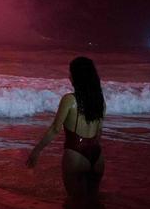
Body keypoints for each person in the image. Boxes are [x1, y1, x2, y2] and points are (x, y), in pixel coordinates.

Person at [27, 56, 106, 196]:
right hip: (97, 155)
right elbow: (99, 132)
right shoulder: (100, 101)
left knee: (74, 204)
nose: (69, 75)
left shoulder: (69, 99)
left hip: (76, 154)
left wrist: (37, 151)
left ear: (77, 76)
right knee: (93, 201)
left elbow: (55, 129)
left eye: (71, 72)